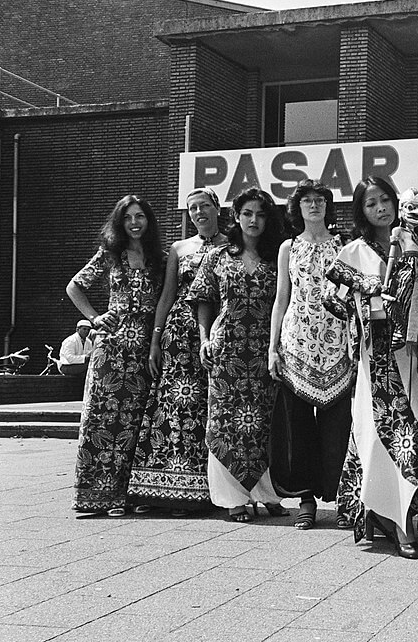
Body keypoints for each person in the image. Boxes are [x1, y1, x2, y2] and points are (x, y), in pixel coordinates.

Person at [324, 176, 418, 560]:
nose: (381, 209)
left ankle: (406, 516)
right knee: (374, 436)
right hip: (373, 358)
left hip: (407, 354)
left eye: (385, 199)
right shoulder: (352, 251)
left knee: (411, 428)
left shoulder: (412, 242)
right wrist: (365, 293)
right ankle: (385, 515)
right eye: (371, 204)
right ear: (362, 211)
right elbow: (330, 297)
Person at [188, 187, 287, 523]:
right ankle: (232, 497)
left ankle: (267, 494)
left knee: (263, 423)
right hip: (227, 348)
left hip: (263, 350)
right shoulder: (218, 256)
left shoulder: (277, 257)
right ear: (236, 216)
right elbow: (203, 299)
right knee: (225, 423)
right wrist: (204, 338)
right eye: (247, 213)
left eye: (260, 214)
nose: (254, 220)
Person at [127, 187, 226, 517]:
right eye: (193, 208)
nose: (199, 213)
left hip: (214, 334)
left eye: (205, 206)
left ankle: (197, 492)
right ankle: (159, 489)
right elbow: (167, 295)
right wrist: (155, 342)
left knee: (204, 408)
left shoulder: (232, 245)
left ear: (217, 208)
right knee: (170, 407)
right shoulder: (180, 248)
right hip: (176, 336)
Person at [66, 194, 165, 516]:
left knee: (133, 425)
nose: (135, 223)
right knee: (101, 420)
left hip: (143, 353)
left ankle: (126, 496)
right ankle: (96, 497)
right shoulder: (109, 255)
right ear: (120, 222)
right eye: (128, 218)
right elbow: (75, 286)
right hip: (111, 350)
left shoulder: (159, 259)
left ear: (148, 221)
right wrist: (95, 317)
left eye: (140, 217)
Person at [268, 179, 351, 531]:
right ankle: (305, 500)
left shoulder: (344, 245)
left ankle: (343, 496)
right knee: (298, 428)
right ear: (297, 208)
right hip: (296, 344)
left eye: (320, 200)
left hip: (337, 344)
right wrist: (272, 347)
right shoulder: (288, 247)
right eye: (307, 201)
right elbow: (281, 298)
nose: (314, 206)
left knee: (338, 428)